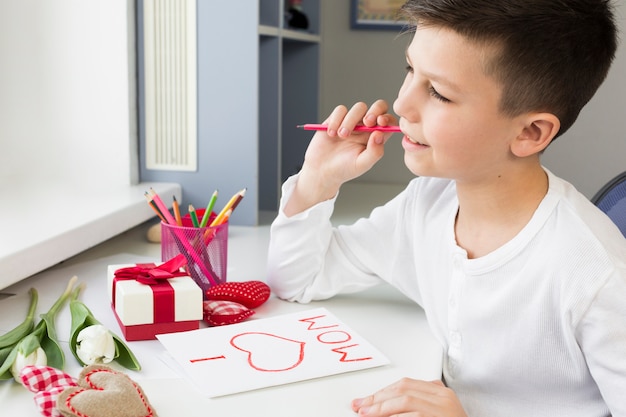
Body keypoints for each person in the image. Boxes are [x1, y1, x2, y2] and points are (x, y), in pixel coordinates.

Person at [267, 0, 626, 416]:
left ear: (530, 132)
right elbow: (297, 279)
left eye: (438, 92)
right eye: (409, 71)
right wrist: (318, 180)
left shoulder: (594, 275)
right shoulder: (428, 203)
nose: (402, 104)